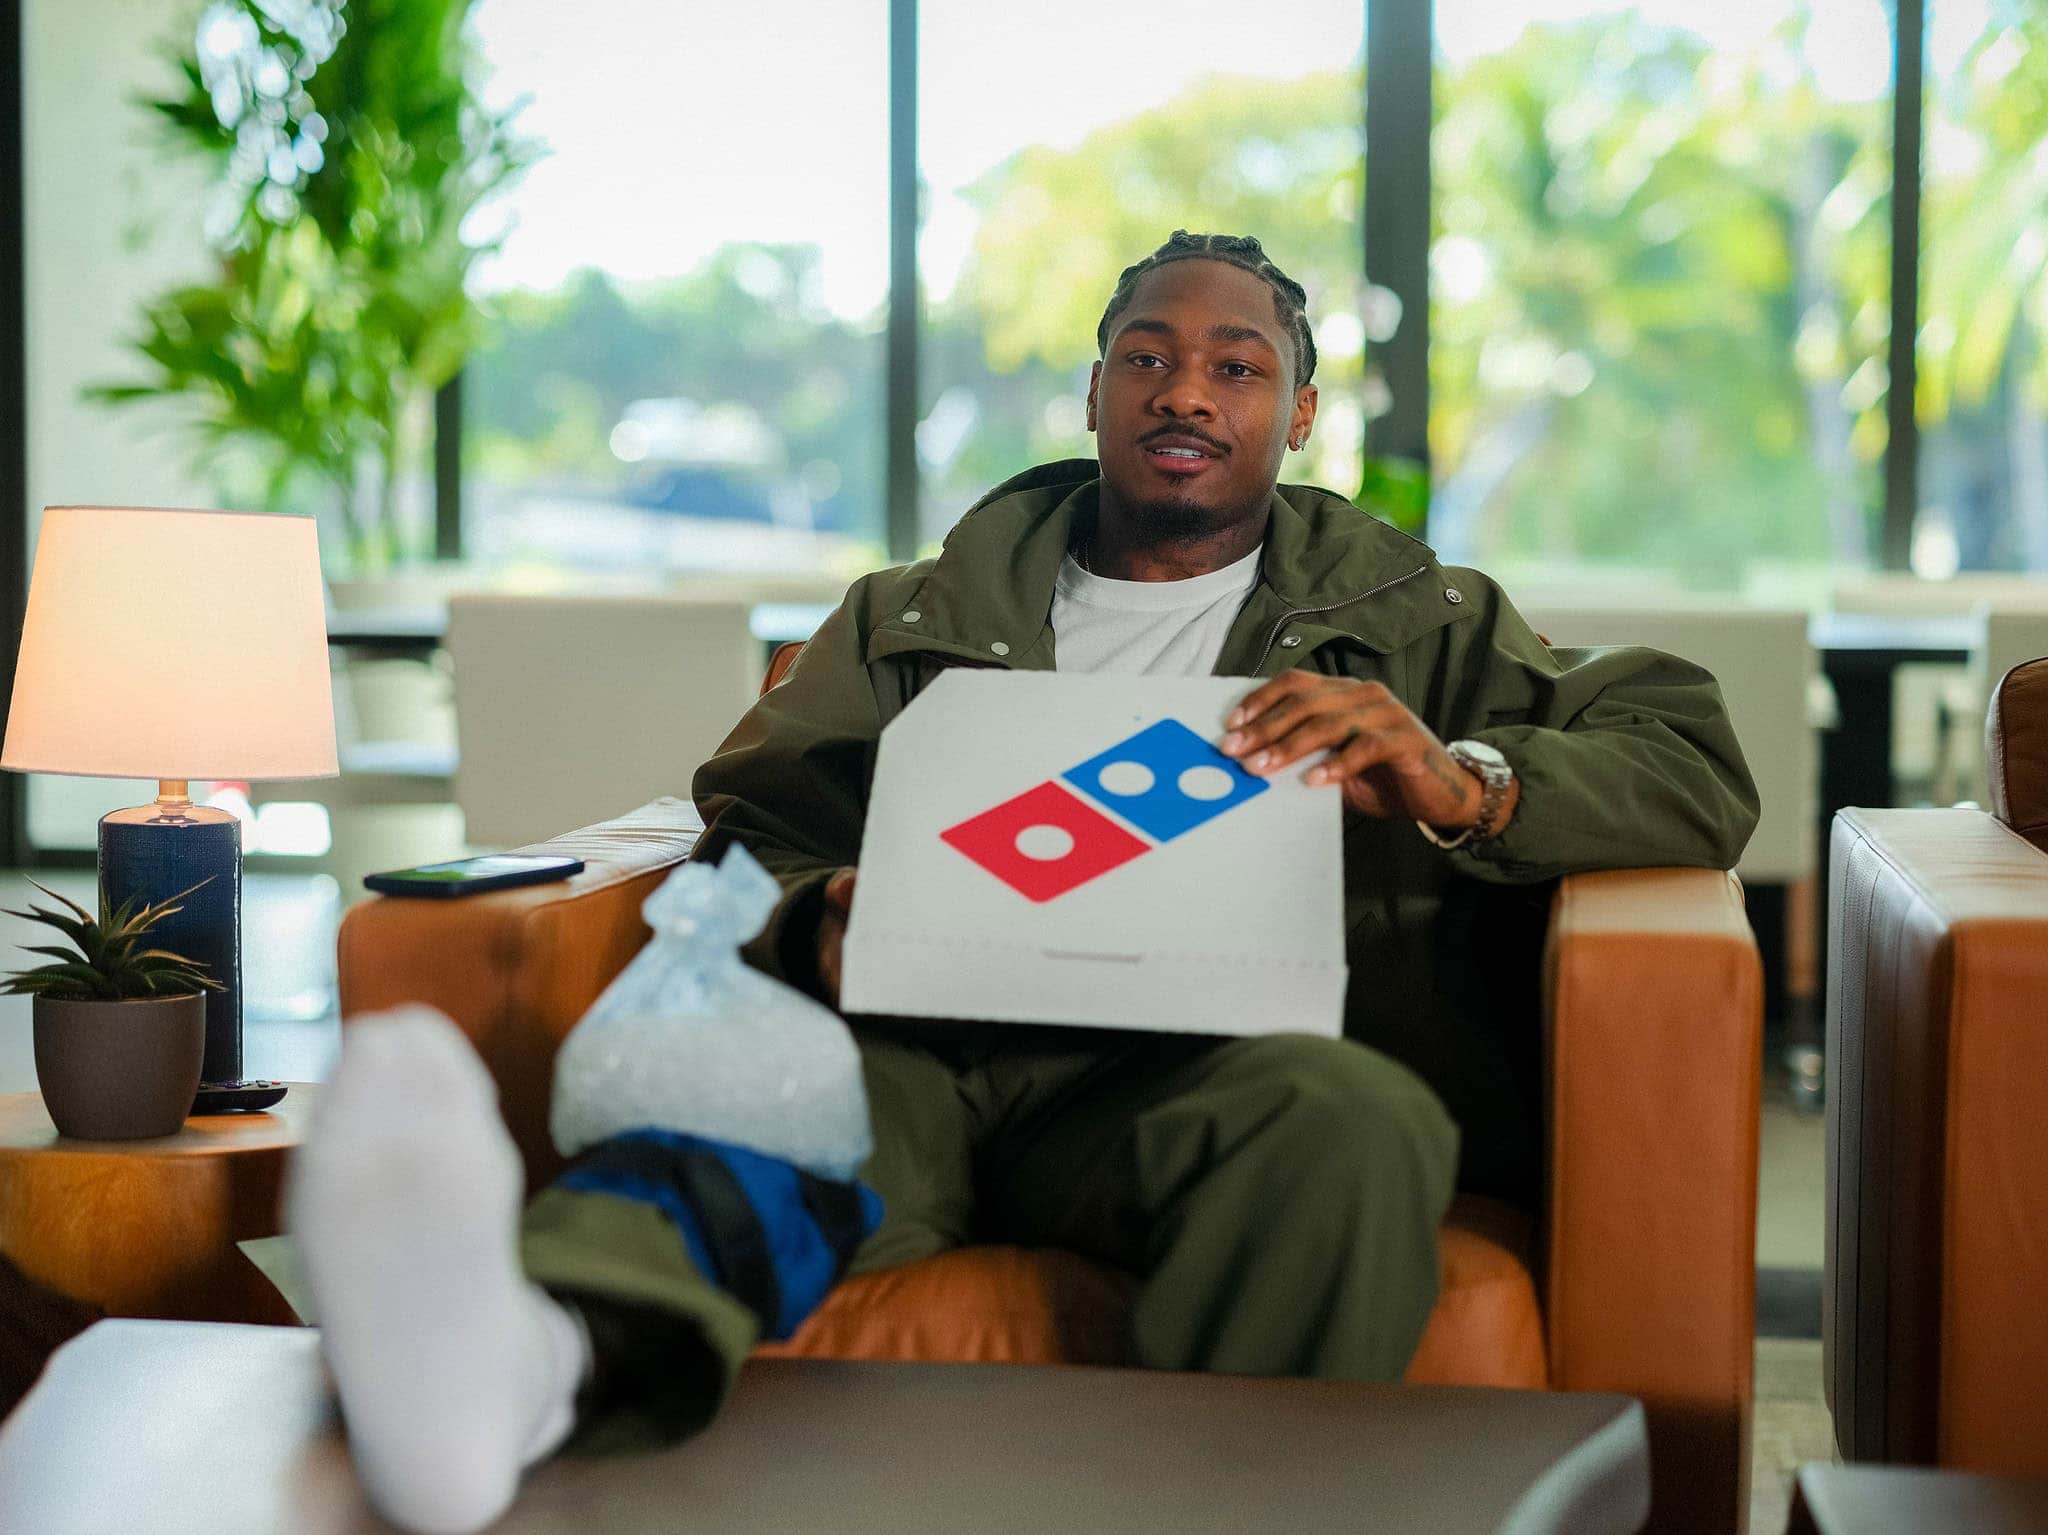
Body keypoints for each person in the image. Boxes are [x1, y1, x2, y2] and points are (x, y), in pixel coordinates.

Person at [288, 231, 1758, 1535]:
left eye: (1237, 368)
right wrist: (822, 916)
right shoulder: (910, 615)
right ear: (1096, 394)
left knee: (1354, 1120)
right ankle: (516, 1362)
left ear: (1297, 415)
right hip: (920, 1047)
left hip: (1209, 1075)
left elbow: (1691, 757)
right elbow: (755, 820)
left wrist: (1461, 780)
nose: (1187, 393)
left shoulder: (1418, 625)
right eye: (1148, 357)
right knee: (757, 1096)